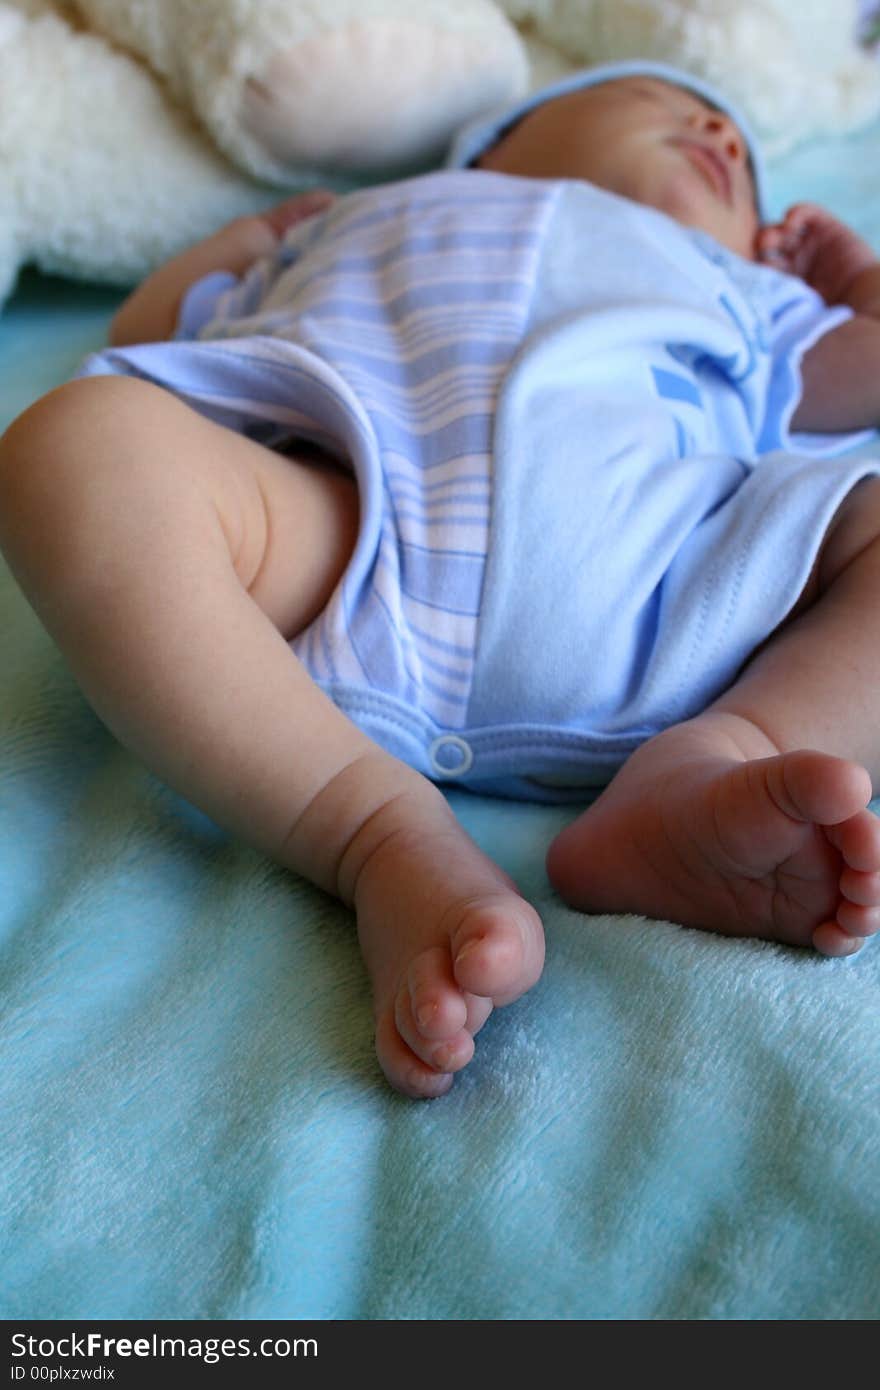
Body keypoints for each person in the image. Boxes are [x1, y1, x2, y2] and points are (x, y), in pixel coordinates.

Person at [2, 62, 880, 1101]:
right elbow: (145, 332)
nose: (722, 140)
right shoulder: (355, 221)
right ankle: (372, 830)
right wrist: (248, 244)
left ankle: (716, 764)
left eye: (744, 166)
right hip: (347, 547)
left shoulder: (748, 292)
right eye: (663, 103)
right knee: (78, 447)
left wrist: (851, 280)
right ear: (496, 146)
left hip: (673, 588)